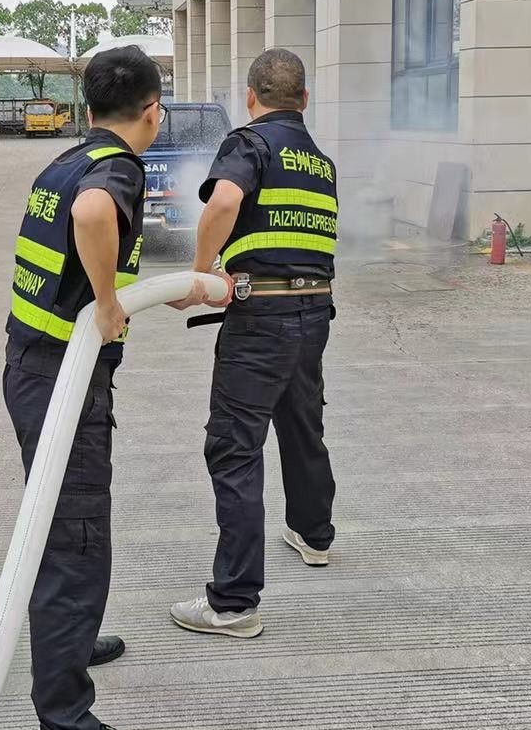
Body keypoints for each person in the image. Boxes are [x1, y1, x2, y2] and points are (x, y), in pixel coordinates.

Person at [3, 45, 212, 730]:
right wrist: (106, 302)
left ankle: (72, 638)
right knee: (76, 539)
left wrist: (160, 291)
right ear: (153, 111)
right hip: (62, 381)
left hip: (32, 366)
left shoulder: (69, 159)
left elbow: (86, 244)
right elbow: (94, 217)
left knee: (61, 523)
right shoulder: (117, 168)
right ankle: (65, 714)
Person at [171, 47, 338, 640]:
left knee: (235, 447)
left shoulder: (250, 143)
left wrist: (199, 272)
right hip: (313, 311)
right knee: (302, 424)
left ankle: (234, 602)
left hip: (261, 318)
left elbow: (224, 201)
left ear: (250, 97)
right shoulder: (321, 162)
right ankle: (314, 535)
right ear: (304, 100)